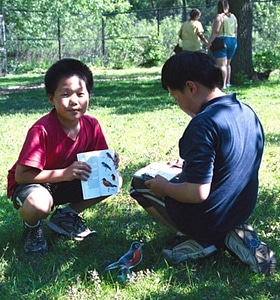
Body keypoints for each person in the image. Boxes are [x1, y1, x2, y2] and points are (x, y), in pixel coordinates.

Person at [130, 51, 276, 275]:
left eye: (175, 97)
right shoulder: (246, 111)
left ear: (191, 87)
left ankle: (201, 239)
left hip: (209, 215)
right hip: (240, 208)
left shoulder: (203, 124)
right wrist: (187, 166)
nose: (178, 104)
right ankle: (231, 230)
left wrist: (164, 187)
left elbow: (197, 193)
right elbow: (230, 160)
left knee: (140, 182)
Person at [7, 58, 121, 254]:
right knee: (38, 205)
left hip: (66, 181)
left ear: (89, 96)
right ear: (51, 98)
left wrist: (108, 162)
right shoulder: (42, 130)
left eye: (80, 94)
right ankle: (32, 228)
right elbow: (21, 175)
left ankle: (66, 217)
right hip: (33, 184)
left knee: (113, 180)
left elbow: (97, 162)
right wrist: (65, 173)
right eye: (65, 94)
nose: (74, 101)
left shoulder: (91, 125)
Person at [208, 0, 238, 89]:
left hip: (222, 40)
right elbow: (235, 31)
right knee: (228, 64)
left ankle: (223, 84)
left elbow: (216, 31)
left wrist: (210, 42)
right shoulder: (233, 17)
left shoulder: (219, 17)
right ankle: (228, 82)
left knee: (221, 65)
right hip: (233, 40)